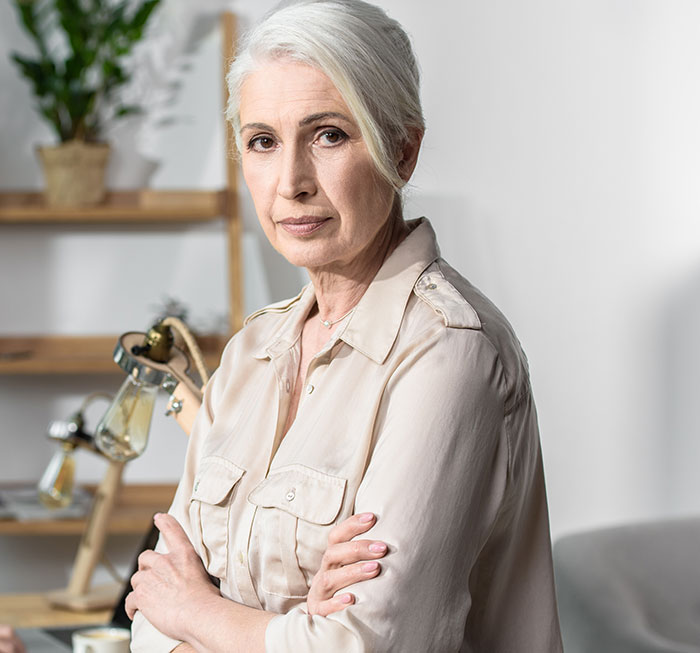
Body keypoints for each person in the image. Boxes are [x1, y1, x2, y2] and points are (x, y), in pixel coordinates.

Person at [127, 0, 563, 650]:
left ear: (402, 151)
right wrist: (292, 628)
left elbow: (364, 643)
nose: (291, 182)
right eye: (263, 141)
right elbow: (149, 619)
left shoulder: (450, 354)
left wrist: (200, 613)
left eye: (328, 135)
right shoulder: (249, 354)